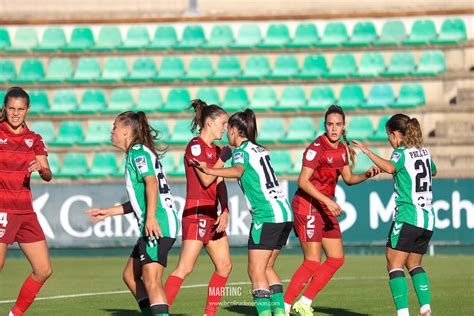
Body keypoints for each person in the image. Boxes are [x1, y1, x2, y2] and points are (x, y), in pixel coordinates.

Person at [193, 108, 293, 316]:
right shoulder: (260, 149)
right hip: (284, 213)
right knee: (267, 268)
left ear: (235, 130)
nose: (226, 133)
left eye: (227, 128)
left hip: (266, 215)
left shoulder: (241, 151)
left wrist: (209, 169)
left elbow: (238, 170)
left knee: (255, 271)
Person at [284, 105, 381, 316]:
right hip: (307, 205)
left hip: (324, 206)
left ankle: (304, 303)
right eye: (330, 124)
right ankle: (283, 307)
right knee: (312, 261)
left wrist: (366, 174)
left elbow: (348, 179)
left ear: (344, 126)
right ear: (325, 125)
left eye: (338, 124)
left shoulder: (341, 150)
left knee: (336, 258)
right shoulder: (316, 148)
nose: (334, 128)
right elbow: (302, 181)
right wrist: (327, 201)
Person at [86, 111, 179, 316]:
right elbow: (140, 198)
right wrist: (108, 212)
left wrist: (151, 217)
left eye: (115, 127)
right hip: (156, 221)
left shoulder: (137, 151)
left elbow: (151, 183)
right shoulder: (135, 154)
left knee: (152, 280)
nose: (112, 131)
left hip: (158, 222)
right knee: (130, 275)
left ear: (127, 130)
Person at [353, 114, 436, 316]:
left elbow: (391, 167)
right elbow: (432, 171)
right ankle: (425, 307)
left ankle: (403, 313)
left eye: (388, 135)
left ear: (395, 134)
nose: (389, 140)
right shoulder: (422, 151)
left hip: (408, 215)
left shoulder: (401, 153)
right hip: (428, 219)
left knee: (393, 263)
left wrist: (366, 151)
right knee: (414, 264)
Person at [164, 100, 232, 316]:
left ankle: (209, 314)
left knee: (225, 266)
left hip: (212, 214)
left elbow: (219, 182)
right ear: (210, 123)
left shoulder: (216, 150)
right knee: (185, 268)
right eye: (222, 123)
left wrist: (225, 210)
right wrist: (222, 160)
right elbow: (205, 180)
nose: (225, 128)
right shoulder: (195, 146)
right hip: (196, 213)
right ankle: (159, 312)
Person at [0, 87, 53, 316]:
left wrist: (41, 168)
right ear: (5, 108)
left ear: (27, 110)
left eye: (20, 109)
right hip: (1, 209)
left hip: (25, 213)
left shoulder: (34, 139)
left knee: (43, 270)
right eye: (11, 108)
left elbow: (48, 174)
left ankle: (14, 315)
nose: (15, 113)